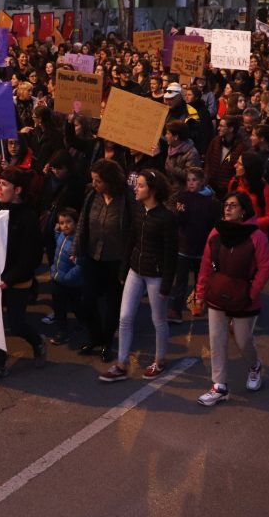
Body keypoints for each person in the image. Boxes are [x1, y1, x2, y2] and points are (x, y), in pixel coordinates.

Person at [194, 190, 269, 406]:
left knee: (242, 340)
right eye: (226, 204)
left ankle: (255, 365)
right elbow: (205, 265)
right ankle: (219, 385)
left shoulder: (257, 236)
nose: (227, 208)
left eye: (233, 205)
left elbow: (266, 267)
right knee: (216, 341)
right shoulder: (215, 233)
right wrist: (200, 293)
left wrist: (251, 292)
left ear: (244, 210)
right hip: (217, 294)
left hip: (244, 299)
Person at [99, 169, 177, 382]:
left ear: (151, 190)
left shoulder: (167, 218)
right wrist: (124, 270)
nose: (136, 188)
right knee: (124, 317)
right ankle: (122, 363)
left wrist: (166, 286)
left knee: (158, 319)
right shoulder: (138, 210)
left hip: (156, 275)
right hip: (135, 270)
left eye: (140, 185)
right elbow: (130, 242)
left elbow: (171, 255)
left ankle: (160, 360)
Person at [0, 168, 46, 383]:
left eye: (3, 185)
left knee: (16, 324)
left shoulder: (28, 218)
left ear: (17, 190)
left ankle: (37, 341)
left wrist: (9, 279)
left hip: (16, 281)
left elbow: (31, 257)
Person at [74, 158, 134, 363]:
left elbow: (134, 230)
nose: (95, 184)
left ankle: (106, 342)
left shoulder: (127, 200)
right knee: (87, 300)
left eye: (98, 181)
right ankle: (94, 337)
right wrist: (76, 248)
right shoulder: (92, 196)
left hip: (116, 260)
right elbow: (83, 223)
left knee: (112, 303)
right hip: (93, 256)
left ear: (109, 181)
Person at [167, 166, 221, 322]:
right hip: (184, 245)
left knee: (201, 279)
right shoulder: (183, 197)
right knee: (181, 280)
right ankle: (175, 309)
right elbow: (180, 220)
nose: (190, 183)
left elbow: (214, 224)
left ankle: (199, 304)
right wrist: (179, 213)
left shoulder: (212, 202)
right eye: (188, 180)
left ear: (202, 181)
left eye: (194, 180)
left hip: (202, 246)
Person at [48, 207, 84, 346]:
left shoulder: (78, 242)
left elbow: (80, 265)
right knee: (59, 307)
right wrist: (53, 271)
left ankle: (83, 321)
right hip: (58, 280)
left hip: (72, 283)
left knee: (76, 305)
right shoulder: (62, 235)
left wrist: (68, 278)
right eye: (62, 223)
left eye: (68, 222)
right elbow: (58, 241)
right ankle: (62, 331)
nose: (65, 226)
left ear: (76, 222)